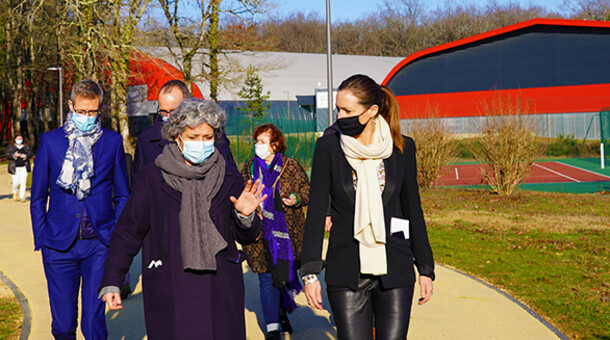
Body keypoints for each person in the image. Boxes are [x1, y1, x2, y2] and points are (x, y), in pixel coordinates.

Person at [99, 98, 265, 339]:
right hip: (171, 286)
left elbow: (246, 236)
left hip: (220, 288)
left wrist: (244, 216)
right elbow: (128, 232)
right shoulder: (152, 177)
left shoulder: (228, 175)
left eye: (207, 137)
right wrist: (113, 279)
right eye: (193, 137)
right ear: (177, 137)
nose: (201, 143)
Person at [300, 74, 435, 340]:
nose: (340, 116)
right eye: (338, 108)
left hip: (395, 268)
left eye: (347, 110)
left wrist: (426, 268)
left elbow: (412, 210)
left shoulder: (402, 148)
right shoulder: (328, 147)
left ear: (372, 111)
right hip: (346, 270)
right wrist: (310, 273)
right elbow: (316, 212)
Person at [30, 79, 130, 339]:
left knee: (93, 325)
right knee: (63, 326)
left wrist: (114, 234)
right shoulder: (51, 142)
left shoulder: (112, 142)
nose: (87, 117)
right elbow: (39, 196)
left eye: (92, 112)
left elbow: (122, 194)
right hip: (59, 245)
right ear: (71, 106)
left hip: (99, 244)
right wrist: (42, 237)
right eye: (81, 111)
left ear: (100, 108)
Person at [240, 123, 310, 340]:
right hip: (260, 233)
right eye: (256, 141)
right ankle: (272, 327)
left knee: (284, 276)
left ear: (275, 144)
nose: (257, 146)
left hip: (289, 233)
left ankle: (281, 311)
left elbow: (307, 190)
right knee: (266, 278)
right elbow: (242, 193)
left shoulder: (291, 166)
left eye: (262, 141)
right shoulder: (250, 167)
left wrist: (296, 199)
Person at [132, 79, 234, 178]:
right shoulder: (146, 140)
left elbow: (229, 172)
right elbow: (138, 181)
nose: (168, 116)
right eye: (163, 111)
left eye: (173, 111)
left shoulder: (211, 134)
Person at [6, 133, 33, 202]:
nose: (19, 140)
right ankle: (15, 192)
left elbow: (30, 153)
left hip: (24, 166)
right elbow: (7, 155)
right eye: (18, 139)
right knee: (15, 182)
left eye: (20, 139)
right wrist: (14, 155)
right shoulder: (11, 146)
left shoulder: (26, 146)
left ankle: (22, 196)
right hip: (14, 167)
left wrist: (25, 156)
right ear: (14, 139)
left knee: (23, 182)